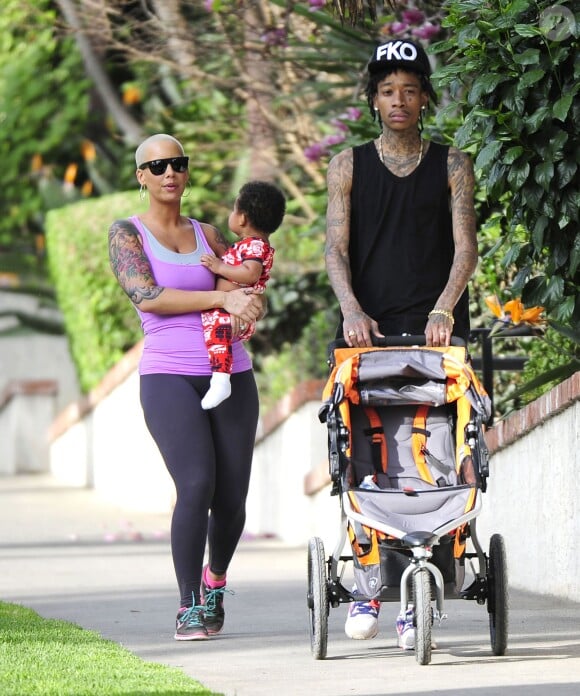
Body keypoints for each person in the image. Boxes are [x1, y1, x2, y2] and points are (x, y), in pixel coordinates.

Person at [324, 39, 478, 648]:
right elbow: (335, 248)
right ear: (373, 99)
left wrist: (444, 307)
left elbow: (465, 247)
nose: (399, 100)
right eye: (388, 90)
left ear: (424, 98)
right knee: (360, 451)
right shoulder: (347, 165)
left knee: (438, 453)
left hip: (435, 328)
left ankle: (423, 595)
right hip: (366, 332)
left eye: (410, 90)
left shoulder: (453, 164)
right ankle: (368, 586)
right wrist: (351, 309)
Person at [108, 133, 266, 641]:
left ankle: (215, 578)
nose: (169, 173)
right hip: (168, 373)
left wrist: (247, 303)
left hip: (231, 371)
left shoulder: (210, 234)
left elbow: (241, 283)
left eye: (177, 163)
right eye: (157, 167)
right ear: (141, 177)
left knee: (235, 496)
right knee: (197, 483)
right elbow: (148, 295)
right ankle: (188, 604)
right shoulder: (127, 234)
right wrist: (221, 302)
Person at [199, 180, 286, 410]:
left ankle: (221, 379)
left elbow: (250, 274)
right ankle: (219, 378)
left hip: (233, 313)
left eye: (233, 209)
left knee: (217, 337)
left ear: (243, 218)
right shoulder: (250, 245)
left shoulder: (254, 246)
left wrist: (219, 267)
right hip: (235, 311)